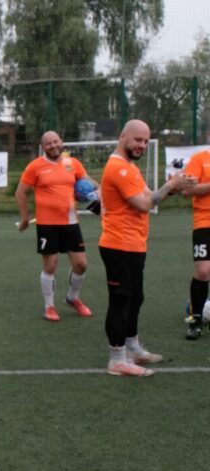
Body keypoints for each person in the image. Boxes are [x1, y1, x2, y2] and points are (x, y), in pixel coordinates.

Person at [97, 119, 196, 377]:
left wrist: (173, 188)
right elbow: (143, 204)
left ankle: (132, 347)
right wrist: (171, 185)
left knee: (135, 298)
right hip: (119, 245)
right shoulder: (118, 168)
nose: (142, 145)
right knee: (121, 300)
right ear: (123, 136)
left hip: (133, 244)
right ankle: (117, 359)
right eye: (137, 140)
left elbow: (149, 195)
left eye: (145, 141)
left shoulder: (130, 167)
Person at [15, 131, 98, 321]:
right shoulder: (35, 166)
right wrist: (25, 219)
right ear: (43, 147)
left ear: (61, 142)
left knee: (81, 265)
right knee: (50, 265)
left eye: (55, 142)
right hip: (47, 224)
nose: (53, 146)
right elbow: (20, 193)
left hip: (71, 222)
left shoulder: (73, 163)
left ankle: (72, 298)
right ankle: (49, 306)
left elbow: (88, 181)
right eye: (48, 144)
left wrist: (99, 189)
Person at [181, 143, 210, 340]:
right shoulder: (200, 158)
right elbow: (186, 190)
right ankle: (195, 320)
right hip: (204, 222)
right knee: (203, 271)